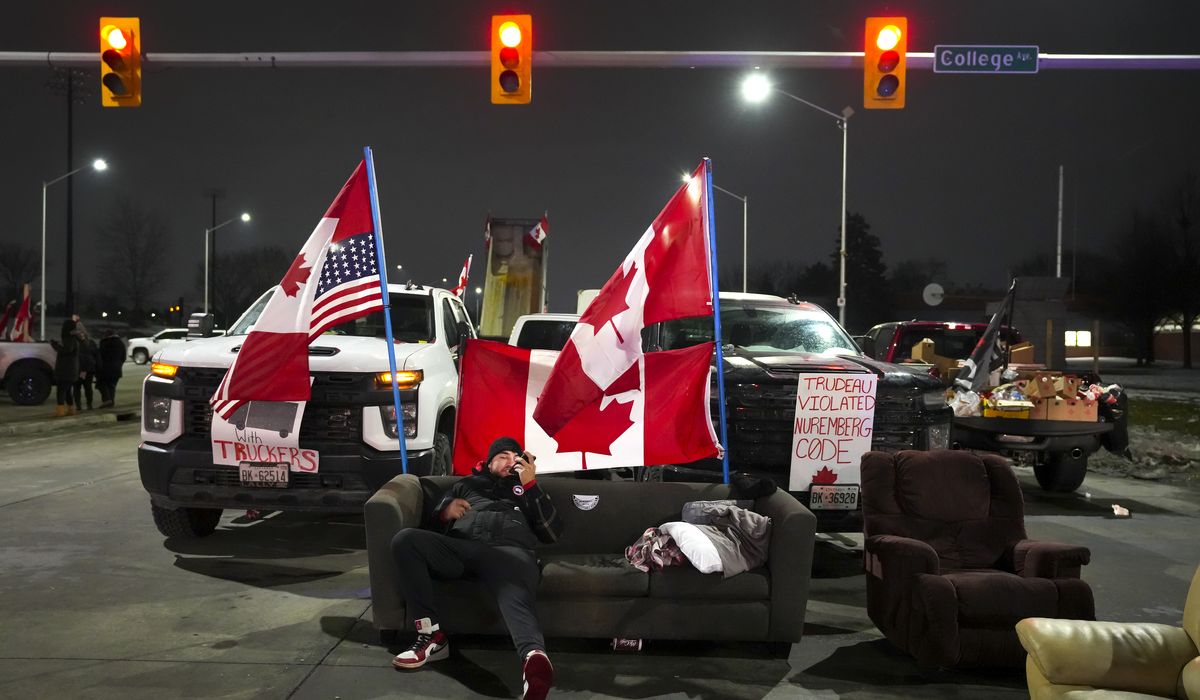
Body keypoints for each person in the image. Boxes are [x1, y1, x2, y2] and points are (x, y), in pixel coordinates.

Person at [390, 437, 562, 700]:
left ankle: (534, 661)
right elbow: (432, 526)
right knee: (406, 540)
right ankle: (432, 637)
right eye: (503, 456)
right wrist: (444, 514)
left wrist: (531, 485)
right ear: (488, 462)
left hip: (509, 553)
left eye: (516, 457)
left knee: (515, 589)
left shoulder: (527, 488)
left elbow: (551, 532)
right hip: (461, 549)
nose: (511, 461)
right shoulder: (466, 485)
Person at [49, 317, 80, 417]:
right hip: (71, 370)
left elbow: (67, 350)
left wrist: (54, 345)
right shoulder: (74, 338)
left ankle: (60, 410)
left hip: (66, 370)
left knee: (61, 391)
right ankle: (71, 409)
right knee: (67, 391)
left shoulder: (69, 338)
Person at [96, 330, 126, 408]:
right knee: (112, 386)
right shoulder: (120, 343)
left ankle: (107, 400)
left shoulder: (104, 343)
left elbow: (100, 356)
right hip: (117, 368)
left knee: (101, 384)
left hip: (105, 368)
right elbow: (123, 357)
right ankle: (111, 402)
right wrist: (119, 364)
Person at [74, 324, 98, 411]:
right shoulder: (89, 342)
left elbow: (95, 355)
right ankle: (83, 405)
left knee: (82, 387)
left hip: (84, 369)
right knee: (82, 387)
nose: (81, 334)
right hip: (83, 369)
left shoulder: (80, 343)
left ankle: (85, 404)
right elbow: (95, 355)